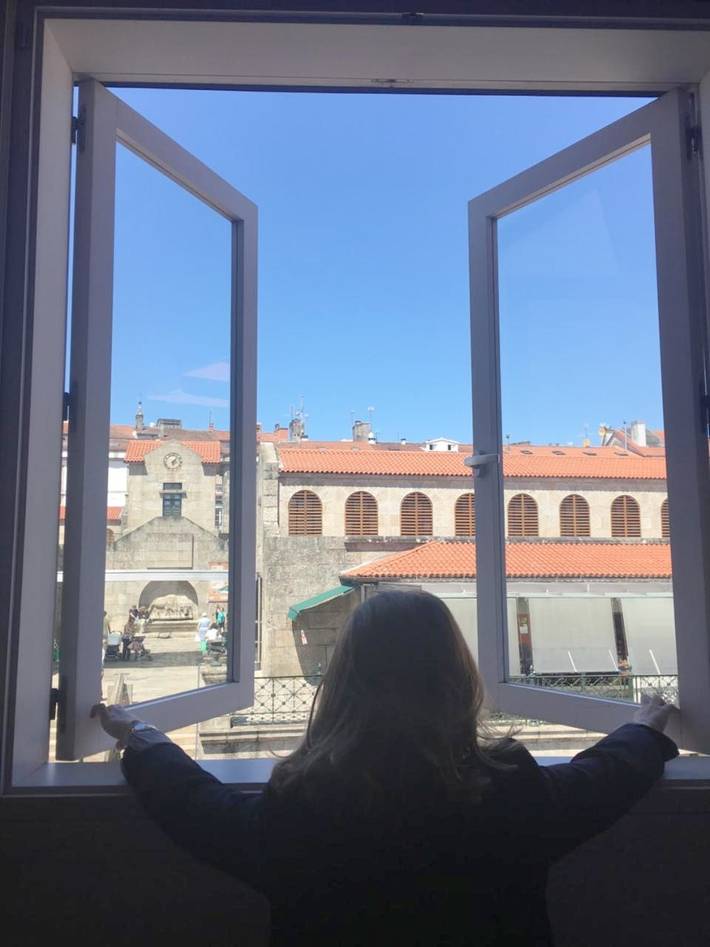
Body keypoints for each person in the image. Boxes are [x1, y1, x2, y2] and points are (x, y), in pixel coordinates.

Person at [92, 590, 677, 947]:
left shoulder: (308, 801)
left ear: (346, 679)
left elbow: (201, 808)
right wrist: (645, 729)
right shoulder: (504, 786)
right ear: (454, 674)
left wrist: (141, 737)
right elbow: (596, 783)